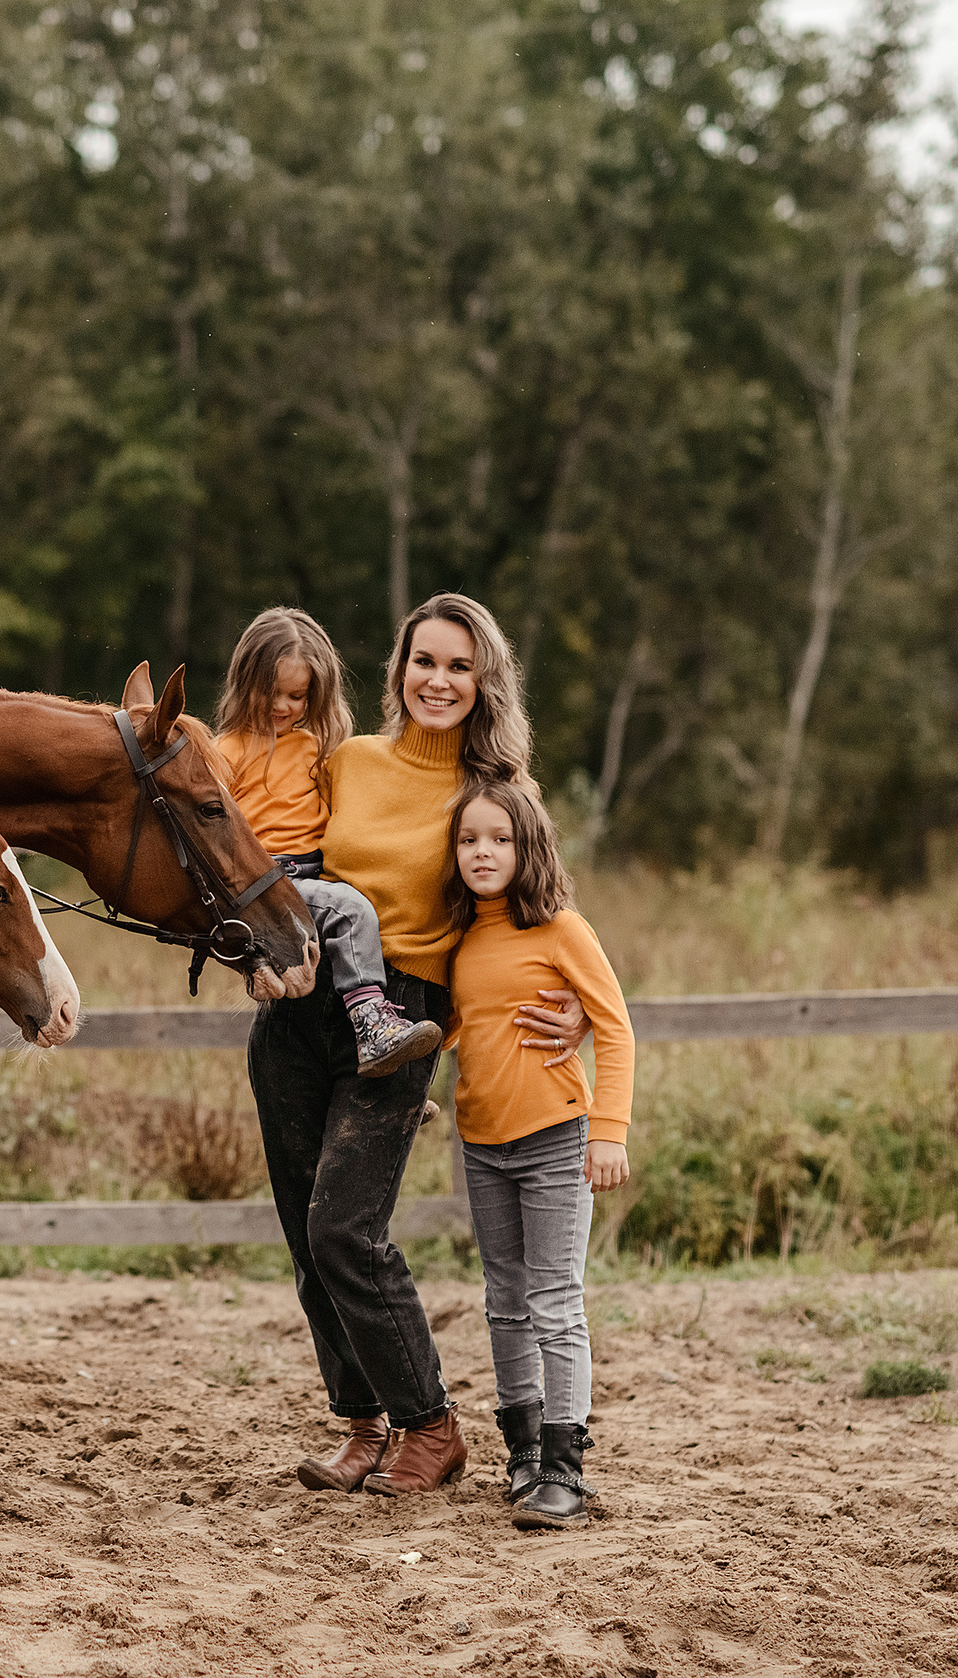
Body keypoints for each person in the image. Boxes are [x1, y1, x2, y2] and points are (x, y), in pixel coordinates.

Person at [248, 591, 588, 1498]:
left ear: (485, 682)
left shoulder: (497, 793)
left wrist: (583, 1010)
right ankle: (363, 1425)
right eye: (423, 661)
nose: (438, 680)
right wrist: (257, 956)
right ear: (399, 670)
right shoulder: (347, 760)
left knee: (344, 1228)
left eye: (458, 665)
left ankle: (431, 1424)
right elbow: (287, 871)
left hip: (403, 1019)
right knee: (303, 1234)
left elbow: (539, 914)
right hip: (300, 1006)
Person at [440, 777, 634, 1531]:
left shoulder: (561, 929)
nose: (483, 851)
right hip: (482, 1146)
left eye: (500, 838)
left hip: (556, 1139)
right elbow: (460, 1026)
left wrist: (608, 1129)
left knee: (555, 1302)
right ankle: (521, 1450)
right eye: (468, 839)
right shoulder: (462, 938)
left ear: (529, 847)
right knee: (503, 1302)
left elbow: (614, 1027)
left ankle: (564, 1468)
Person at [215, 608, 442, 1078]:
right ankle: (374, 1028)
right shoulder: (225, 752)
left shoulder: (316, 747)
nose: (283, 706)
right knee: (350, 910)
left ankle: (380, 1064)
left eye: (296, 695)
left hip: (317, 871)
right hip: (269, 878)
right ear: (245, 682)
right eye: (270, 692)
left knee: (346, 944)